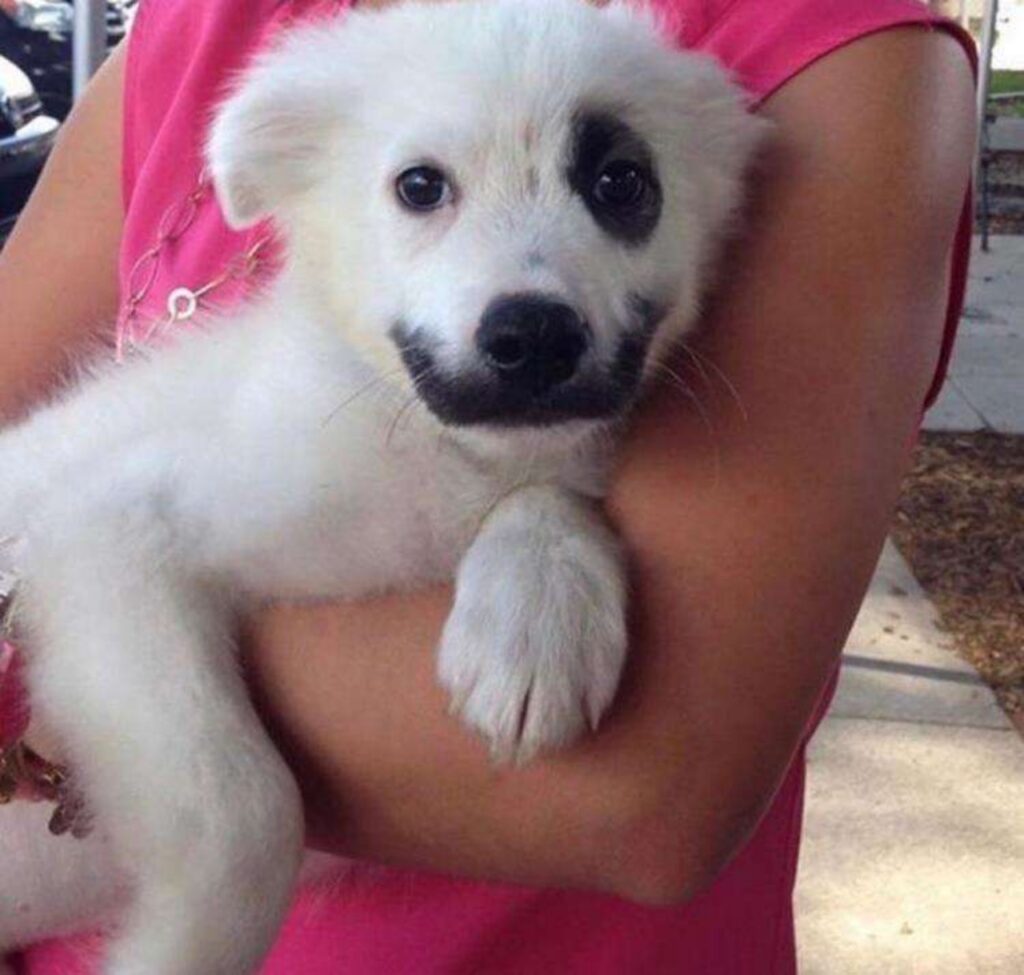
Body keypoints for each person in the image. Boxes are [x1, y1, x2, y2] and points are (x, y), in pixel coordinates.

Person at [0, 0, 975, 971]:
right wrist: (217, 842)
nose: (529, 289)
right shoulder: (230, 43)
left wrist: (546, 526)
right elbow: (105, 543)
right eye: (423, 188)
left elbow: (643, 792)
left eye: (615, 182)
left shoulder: (814, 52)